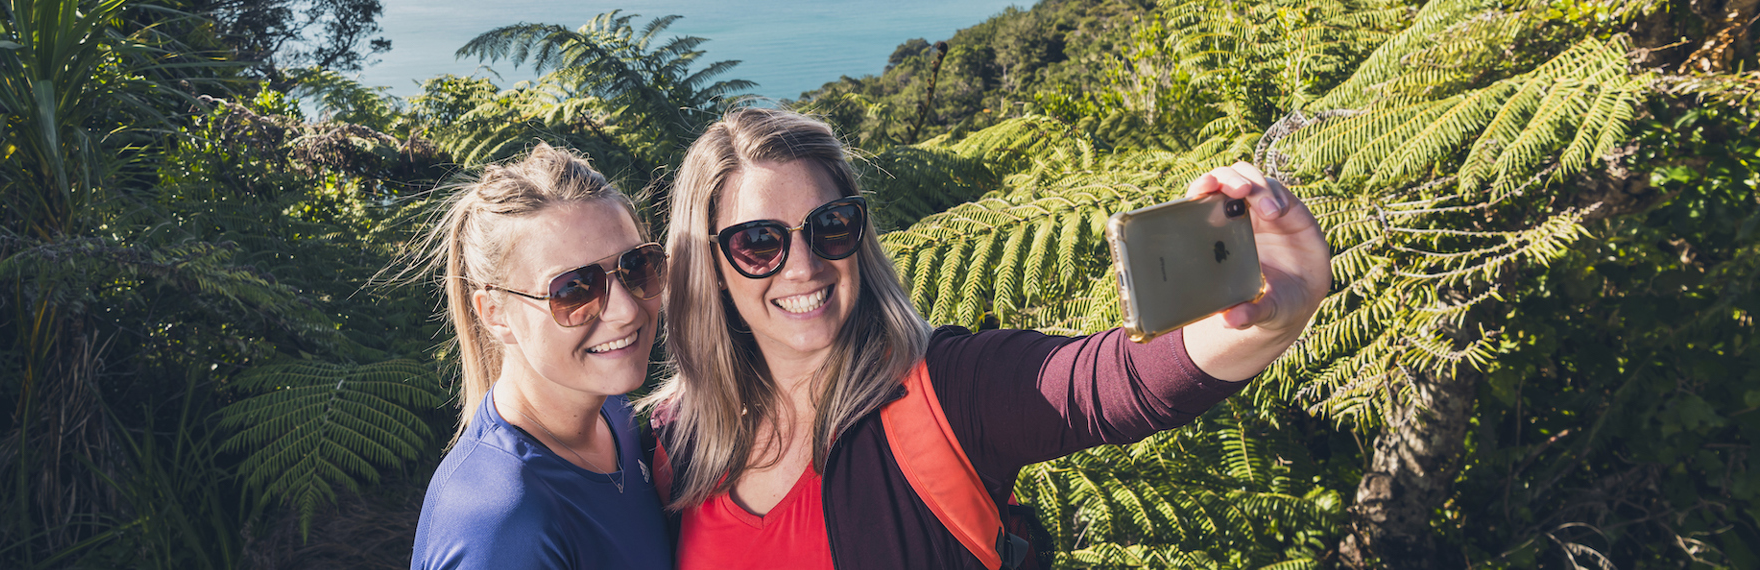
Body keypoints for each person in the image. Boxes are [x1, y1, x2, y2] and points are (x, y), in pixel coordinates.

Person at [640, 108, 1332, 569]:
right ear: (710, 267)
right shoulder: (669, 446)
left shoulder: (946, 389)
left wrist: (1272, 316)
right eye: (759, 242)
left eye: (831, 226)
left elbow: (1109, 382)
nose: (804, 264)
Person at [410, 144, 672, 570]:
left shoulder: (611, 412)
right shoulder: (503, 524)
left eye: (636, 267)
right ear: (495, 314)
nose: (625, 311)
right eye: (574, 290)